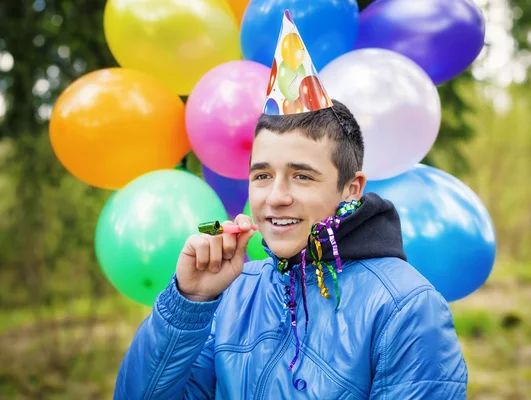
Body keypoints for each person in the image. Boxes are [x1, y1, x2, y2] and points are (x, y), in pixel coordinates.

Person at [114, 10, 467, 399]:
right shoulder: (233, 292)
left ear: (351, 189)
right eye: (262, 175)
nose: (276, 197)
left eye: (302, 175)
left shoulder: (407, 308)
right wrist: (189, 302)